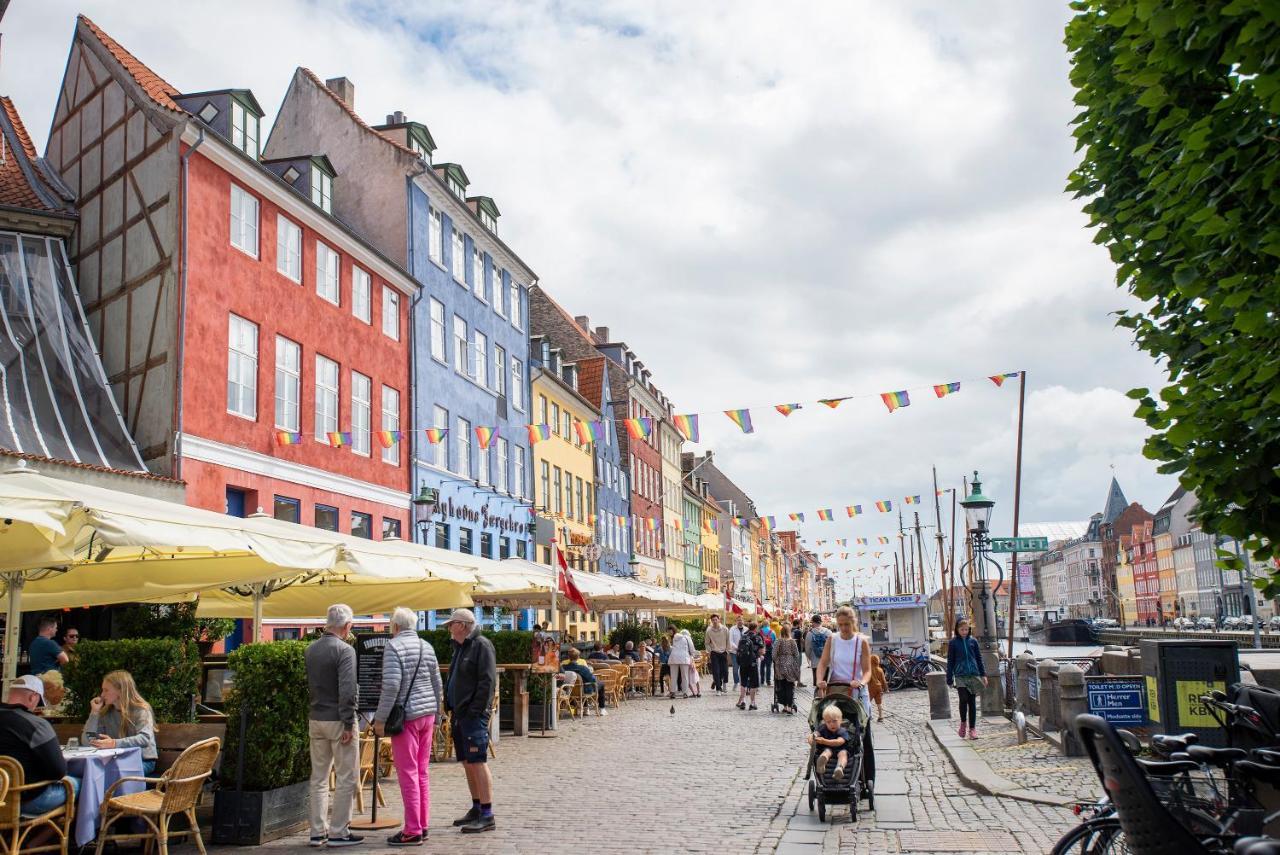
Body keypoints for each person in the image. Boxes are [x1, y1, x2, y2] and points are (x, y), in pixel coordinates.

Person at [374, 607, 443, 846]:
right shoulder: (427, 646)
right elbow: (437, 683)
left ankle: (412, 830)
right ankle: (422, 824)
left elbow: (391, 686)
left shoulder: (394, 647)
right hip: (427, 714)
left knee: (408, 773)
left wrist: (380, 719)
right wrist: (438, 714)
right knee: (422, 772)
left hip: (407, 717)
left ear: (395, 626)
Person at [303, 603, 361, 848]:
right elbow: (347, 690)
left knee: (318, 778)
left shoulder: (311, 650)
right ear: (347, 626)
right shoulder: (345, 651)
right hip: (339, 719)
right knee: (347, 776)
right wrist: (349, 722)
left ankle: (317, 831)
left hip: (316, 718)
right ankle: (338, 832)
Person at [443, 608, 498, 835]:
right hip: (460, 713)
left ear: (463, 625)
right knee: (467, 761)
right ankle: (476, 807)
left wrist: (476, 710)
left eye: (451, 623)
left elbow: (487, 681)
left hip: (472, 714)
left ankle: (487, 814)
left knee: (477, 761)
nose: (448, 627)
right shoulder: (460, 647)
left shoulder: (481, 645)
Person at [0, 675, 77, 814]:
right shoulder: (36, 725)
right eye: (38, 702)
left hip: (2, 799)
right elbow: (58, 771)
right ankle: (75, 835)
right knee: (79, 784)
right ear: (33, 697)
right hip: (24, 801)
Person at [816, 606, 875, 787]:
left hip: (856, 691)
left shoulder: (861, 642)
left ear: (853, 623)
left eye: (847, 625)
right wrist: (820, 681)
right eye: (840, 625)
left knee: (861, 735)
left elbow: (867, 671)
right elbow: (823, 663)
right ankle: (830, 769)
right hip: (836, 690)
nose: (843, 629)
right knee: (832, 727)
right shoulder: (832, 640)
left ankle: (866, 778)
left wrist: (862, 682)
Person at [83, 670, 159, 775]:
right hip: (118, 760)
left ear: (120, 690)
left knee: (110, 773)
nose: (102, 694)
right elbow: (88, 741)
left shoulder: (141, 709)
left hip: (143, 760)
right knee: (93, 771)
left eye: (106, 690)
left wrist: (114, 743)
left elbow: (144, 738)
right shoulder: (106, 712)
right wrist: (94, 713)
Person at [945, 617, 987, 739]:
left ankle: (972, 729)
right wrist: (949, 677)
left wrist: (983, 674)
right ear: (957, 630)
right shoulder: (953, 643)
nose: (964, 632)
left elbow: (979, 659)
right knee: (963, 699)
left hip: (973, 675)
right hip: (960, 675)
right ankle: (963, 723)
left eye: (966, 629)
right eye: (962, 629)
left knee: (972, 702)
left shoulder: (973, 642)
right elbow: (950, 661)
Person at [809, 704, 853, 780]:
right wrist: (812, 737)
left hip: (841, 749)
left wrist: (824, 741)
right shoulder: (823, 728)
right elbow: (816, 733)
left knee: (843, 754)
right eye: (828, 722)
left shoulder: (843, 731)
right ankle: (822, 763)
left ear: (840, 720)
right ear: (825, 722)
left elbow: (839, 742)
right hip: (828, 749)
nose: (832, 724)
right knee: (826, 752)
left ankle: (839, 768)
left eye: (834, 721)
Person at [560, 648, 608, 714]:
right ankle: (602, 709)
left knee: (583, 683)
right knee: (601, 684)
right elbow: (592, 680)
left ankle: (586, 708)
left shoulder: (563, 667)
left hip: (568, 690)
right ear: (578, 657)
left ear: (568, 657)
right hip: (583, 691)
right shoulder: (582, 668)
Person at [735, 620, 764, 710]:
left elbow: (738, 649)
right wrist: (760, 655)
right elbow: (761, 650)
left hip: (743, 662)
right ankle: (752, 703)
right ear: (756, 628)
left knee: (743, 682)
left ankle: (743, 701)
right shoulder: (757, 637)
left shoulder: (743, 636)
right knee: (753, 683)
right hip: (753, 663)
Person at [773, 630, 801, 713]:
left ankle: (785, 706)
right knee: (789, 686)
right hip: (790, 665)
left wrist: (776, 661)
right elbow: (797, 654)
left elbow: (774, 654)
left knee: (781, 686)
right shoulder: (792, 641)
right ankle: (789, 706)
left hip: (780, 665)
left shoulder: (779, 641)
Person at [704, 614, 731, 694]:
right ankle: (718, 689)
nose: (715, 621)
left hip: (724, 652)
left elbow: (728, 641)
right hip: (714, 652)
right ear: (711, 621)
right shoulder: (709, 630)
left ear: (719, 620)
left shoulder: (725, 629)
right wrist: (710, 650)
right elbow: (706, 643)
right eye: (713, 620)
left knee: (725, 671)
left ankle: (724, 683)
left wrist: (727, 651)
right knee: (716, 671)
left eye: (716, 619)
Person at [804, 615, 831, 687]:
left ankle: (818, 697)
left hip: (815, 662)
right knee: (826, 683)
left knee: (817, 684)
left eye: (812, 622)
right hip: (827, 662)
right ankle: (826, 697)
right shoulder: (828, 632)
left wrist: (810, 658)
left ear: (813, 622)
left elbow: (807, 649)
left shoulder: (810, 634)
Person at [868, 654, 888, 723]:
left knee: (868, 702)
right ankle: (880, 716)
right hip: (879, 688)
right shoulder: (880, 670)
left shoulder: (869, 670)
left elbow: (868, 679)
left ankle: (869, 715)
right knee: (879, 703)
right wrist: (886, 689)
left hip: (871, 687)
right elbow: (883, 680)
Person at [728, 614, 745, 688]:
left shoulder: (746, 629)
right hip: (734, 652)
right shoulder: (732, 629)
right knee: (735, 668)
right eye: (738, 620)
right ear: (736, 621)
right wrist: (737, 648)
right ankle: (736, 682)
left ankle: (743, 683)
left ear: (743, 621)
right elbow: (730, 641)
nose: (740, 621)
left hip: (744, 653)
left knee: (743, 668)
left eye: (741, 620)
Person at [759, 621, 777, 686]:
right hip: (770, 650)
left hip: (762, 650)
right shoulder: (772, 631)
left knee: (762, 665)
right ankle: (768, 681)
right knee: (768, 666)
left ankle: (762, 681)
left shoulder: (760, 632)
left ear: (763, 625)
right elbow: (775, 641)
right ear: (769, 625)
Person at [791, 620, 807, 686]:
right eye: (800, 623)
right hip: (797, 650)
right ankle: (799, 682)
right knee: (798, 667)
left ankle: (792, 681)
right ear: (797, 624)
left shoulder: (790, 630)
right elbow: (802, 640)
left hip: (790, 650)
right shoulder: (799, 631)